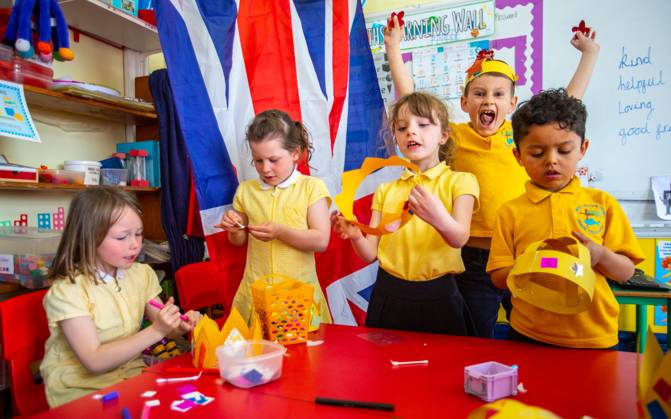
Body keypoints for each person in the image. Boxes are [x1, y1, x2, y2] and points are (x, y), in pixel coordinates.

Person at [383, 13, 600, 337]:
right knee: (476, 333)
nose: (489, 100)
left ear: (511, 103)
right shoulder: (453, 134)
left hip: (523, 251)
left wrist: (589, 55)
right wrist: (393, 48)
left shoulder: (521, 136)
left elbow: (564, 109)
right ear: (465, 102)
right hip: (473, 258)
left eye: (498, 95)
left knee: (532, 329)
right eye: (480, 94)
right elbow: (410, 104)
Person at [486, 88, 644, 348]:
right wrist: (533, 264)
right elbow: (498, 275)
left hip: (593, 337)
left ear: (582, 148)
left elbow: (626, 272)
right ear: (518, 155)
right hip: (528, 333)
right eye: (537, 153)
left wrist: (601, 256)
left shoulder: (601, 204)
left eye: (564, 150)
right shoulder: (511, 211)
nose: (551, 161)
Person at [332, 92, 479, 335]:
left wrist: (437, 217)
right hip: (389, 294)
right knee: (386, 366)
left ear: (443, 136)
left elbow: (459, 238)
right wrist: (356, 234)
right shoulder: (386, 190)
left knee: (443, 366)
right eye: (402, 128)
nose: (411, 132)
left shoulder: (462, 181)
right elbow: (370, 254)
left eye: (423, 124)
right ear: (396, 139)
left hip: (439, 294)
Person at [40, 187, 201, 407]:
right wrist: (157, 331)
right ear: (89, 237)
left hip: (131, 377)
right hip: (81, 391)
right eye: (122, 237)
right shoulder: (69, 290)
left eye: (138, 233)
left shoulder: (141, 274)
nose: (135, 244)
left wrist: (181, 325)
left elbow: (168, 329)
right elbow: (94, 361)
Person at [218, 109, 332, 325]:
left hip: (299, 296)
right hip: (256, 294)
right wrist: (234, 229)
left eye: (273, 159)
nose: (266, 168)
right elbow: (238, 241)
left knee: (305, 357)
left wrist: (281, 232)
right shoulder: (246, 190)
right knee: (257, 354)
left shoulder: (311, 188)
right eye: (258, 161)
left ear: (295, 153)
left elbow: (321, 241)